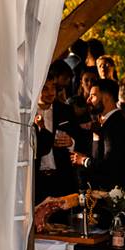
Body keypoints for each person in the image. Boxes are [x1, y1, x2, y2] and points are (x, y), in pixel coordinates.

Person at [71, 77, 125, 190]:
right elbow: (99, 157)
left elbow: (109, 165)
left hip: (112, 193)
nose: (88, 100)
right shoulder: (105, 123)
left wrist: (83, 160)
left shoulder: (116, 124)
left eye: (93, 96)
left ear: (106, 98)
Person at [32, 73, 78, 203]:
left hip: (61, 178)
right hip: (37, 180)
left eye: (53, 87)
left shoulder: (66, 110)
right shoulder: (28, 114)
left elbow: (81, 138)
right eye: (45, 88)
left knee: (62, 222)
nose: (51, 92)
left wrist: (71, 142)